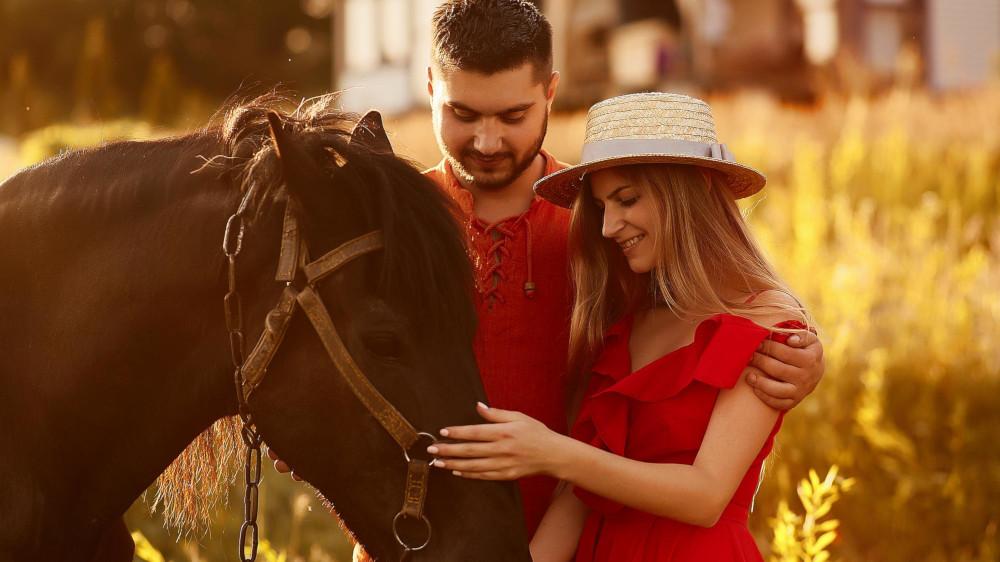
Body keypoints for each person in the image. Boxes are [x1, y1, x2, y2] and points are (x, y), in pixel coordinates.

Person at [272, 0, 826, 544]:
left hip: (571, 536)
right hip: (412, 539)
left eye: (513, 116)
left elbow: (706, 305)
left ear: (550, 94)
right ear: (430, 88)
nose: (488, 142)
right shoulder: (390, 222)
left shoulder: (599, 224)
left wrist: (801, 351)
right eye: (463, 114)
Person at [427, 92, 814, 561]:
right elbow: (577, 497)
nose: (609, 227)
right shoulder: (626, 327)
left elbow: (706, 496)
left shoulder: (765, 321)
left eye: (626, 199)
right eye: (602, 206)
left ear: (689, 192)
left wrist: (550, 451)